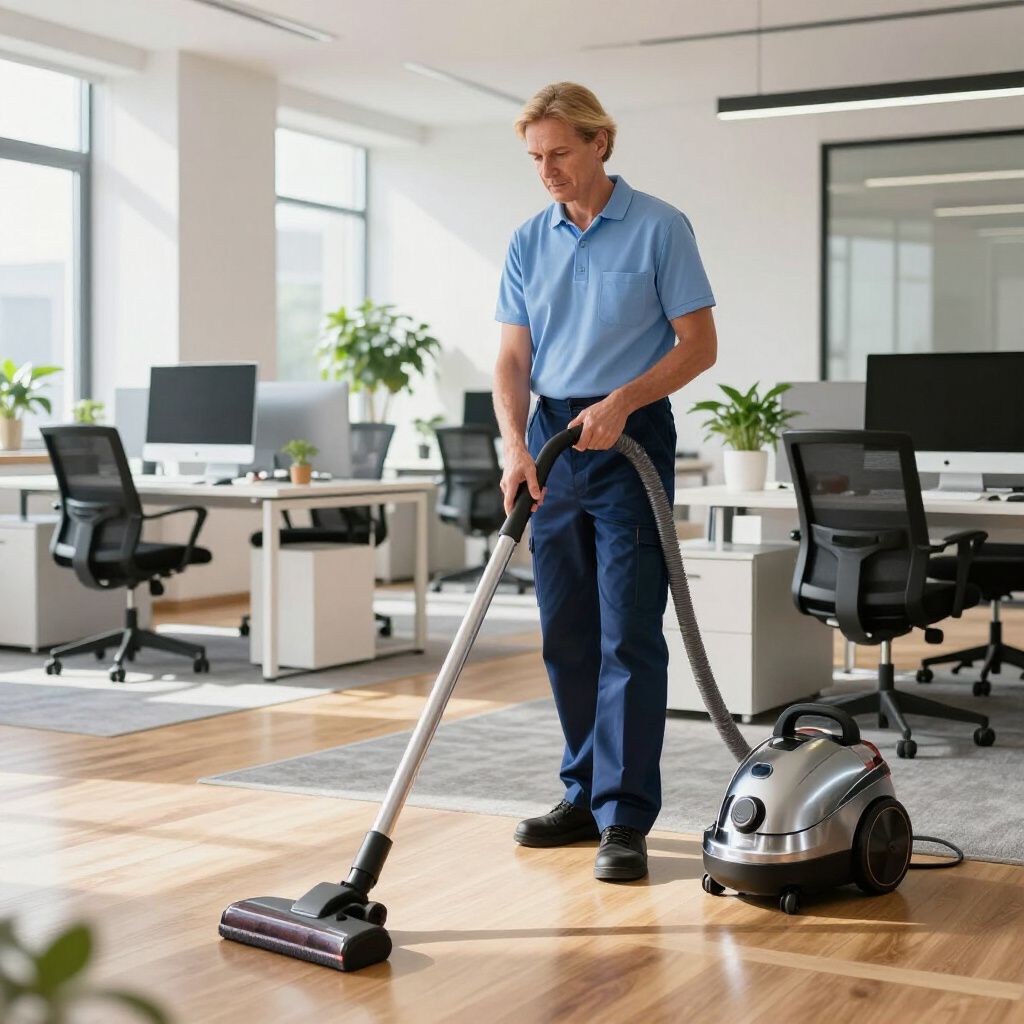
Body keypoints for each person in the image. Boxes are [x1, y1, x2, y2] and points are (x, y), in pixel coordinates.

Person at [492, 82, 718, 882]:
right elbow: (514, 359)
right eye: (535, 158)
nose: (547, 170)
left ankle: (624, 817)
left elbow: (699, 345)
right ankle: (582, 796)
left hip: (632, 440)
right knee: (568, 636)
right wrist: (515, 444)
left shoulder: (660, 227)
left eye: (559, 153)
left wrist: (624, 401)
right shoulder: (529, 239)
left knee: (628, 632)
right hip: (554, 442)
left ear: (599, 144)